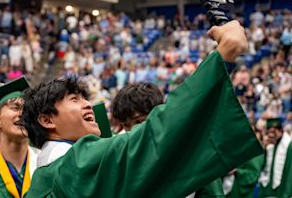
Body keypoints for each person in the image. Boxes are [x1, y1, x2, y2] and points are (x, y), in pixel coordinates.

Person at [22, 20, 263, 197]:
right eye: (74, 99)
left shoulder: (49, 172)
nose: (88, 104)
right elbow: (153, 139)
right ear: (47, 120)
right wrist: (223, 55)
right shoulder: (73, 165)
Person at [111, 82, 224, 197]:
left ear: (160, 115)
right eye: (125, 125)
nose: (132, 131)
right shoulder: (118, 155)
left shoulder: (191, 152)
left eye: (140, 122)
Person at [258, 118, 292, 197]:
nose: (271, 135)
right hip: (268, 186)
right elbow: (261, 166)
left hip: (281, 188)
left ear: (280, 130)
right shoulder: (270, 144)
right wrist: (264, 149)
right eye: (268, 132)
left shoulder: (289, 145)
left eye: (273, 131)